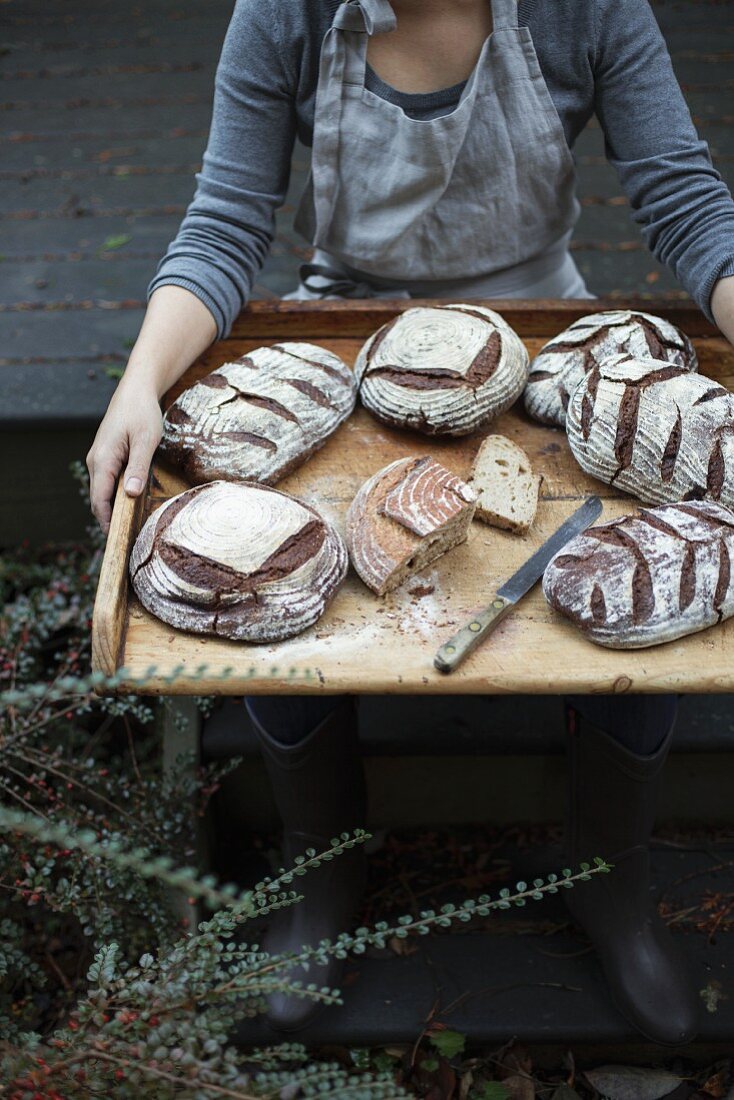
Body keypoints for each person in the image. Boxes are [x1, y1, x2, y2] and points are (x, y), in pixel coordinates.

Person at [87, 0, 734, 1043]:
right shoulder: (284, 16)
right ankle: (326, 867)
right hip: (344, 349)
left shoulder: (590, 11)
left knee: (645, 551)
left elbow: (688, 207)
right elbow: (224, 220)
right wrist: (138, 386)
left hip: (543, 345)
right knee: (276, 580)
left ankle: (609, 880)